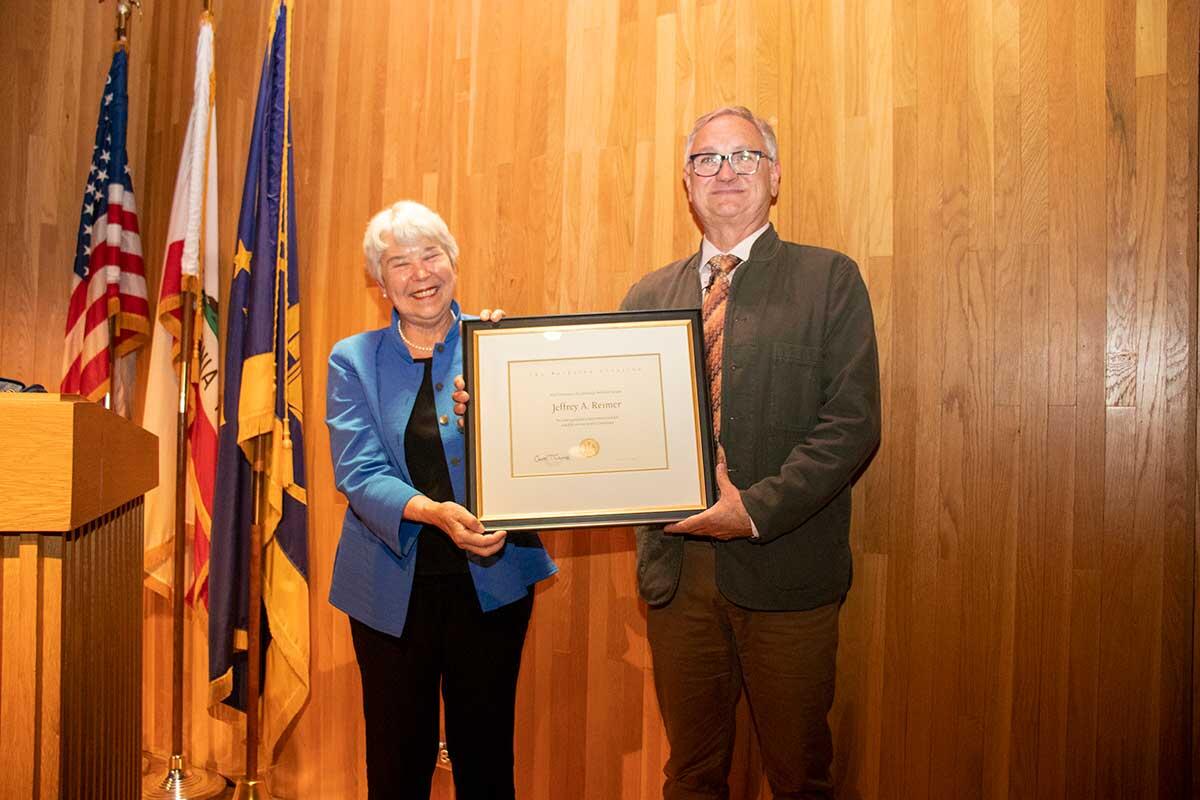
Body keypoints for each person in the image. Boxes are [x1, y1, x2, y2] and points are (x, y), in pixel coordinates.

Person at [619, 107, 881, 798]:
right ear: (687, 182)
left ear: (774, 175)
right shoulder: (647, 297)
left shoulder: (830, 281)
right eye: (707, 159)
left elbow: (851, 423)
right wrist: (499, 413)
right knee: (690, 774)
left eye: (744, 156)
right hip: (678, 577)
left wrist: (753, 511)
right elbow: (613, 427)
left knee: (799, 774)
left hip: (788, 571)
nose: (725, 172)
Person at [326, 200, 557, 799]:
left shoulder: (497, 342)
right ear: (380, 283)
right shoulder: (353, 359)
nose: (419, 273)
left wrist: (499, 403)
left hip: (492, 581)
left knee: (485, 759)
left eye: (431, 255)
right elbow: (357, 471)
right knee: (397, 762)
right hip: (387, 590)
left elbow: (540, 456)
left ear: (453, 263)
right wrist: (431, 512)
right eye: (399, 263)